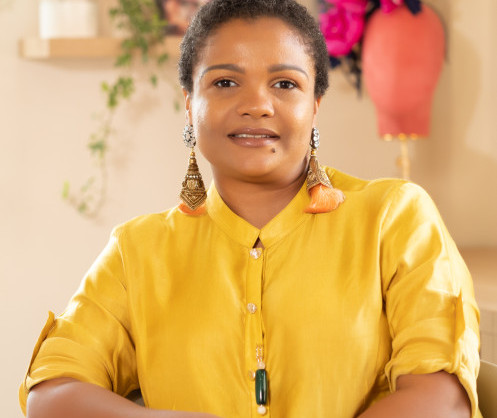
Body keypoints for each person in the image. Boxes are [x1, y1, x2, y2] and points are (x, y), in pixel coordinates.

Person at [20, 0, 481, 417]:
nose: (257, 105)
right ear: (189, 105)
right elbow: (52, 391)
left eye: (285, 84)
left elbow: (442, 401)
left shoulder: (394, 219)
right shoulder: (136, 252)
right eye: (225, 82)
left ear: (314, 106)